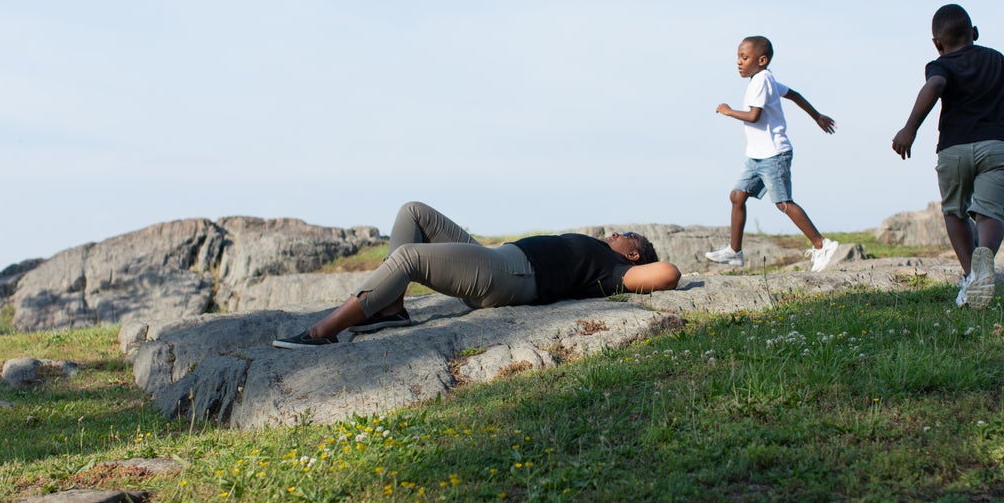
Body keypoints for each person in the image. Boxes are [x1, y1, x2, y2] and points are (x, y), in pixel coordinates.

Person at [273, 201, 682, 348]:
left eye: (624, 236)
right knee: (413, 211)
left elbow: (669, 274)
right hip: (498, 258)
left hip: (513, 276)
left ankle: (321, 333)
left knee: (410, 258)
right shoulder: (605, 253)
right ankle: (391, 308)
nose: (613, 233)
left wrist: (637, 268)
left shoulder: (612, 272)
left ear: (633, 255)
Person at [891, 4, 1004, 310]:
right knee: (990, 213)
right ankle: (984, 264)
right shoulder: (997, 59)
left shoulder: (941, 64)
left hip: (955, 148)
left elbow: (936, 85)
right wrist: (995, 113)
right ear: (974, 33)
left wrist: (909, 128)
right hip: (998, 145)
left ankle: (969, 275)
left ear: (937, 44)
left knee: (955, 212)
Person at [704, 35, 840, 272]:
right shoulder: (763, 79)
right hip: (756, 155)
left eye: (744, 57)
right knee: (737, 196)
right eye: (738, 57)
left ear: (762, 59)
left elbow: (754, 116)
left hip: (774, 155)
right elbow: (794, 94)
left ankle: (822, 245)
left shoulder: (761, 80)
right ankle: (734, 252)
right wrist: (816, 115)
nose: (739, 62)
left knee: (783, 203)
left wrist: (728, 111)